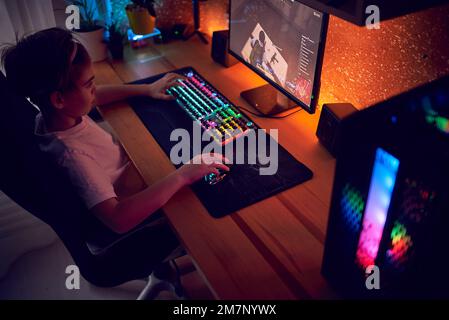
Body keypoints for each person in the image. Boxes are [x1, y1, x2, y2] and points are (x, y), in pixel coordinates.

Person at [1, 28, 229, 238]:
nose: (94, 88)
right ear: (59, 99)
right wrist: (183, 175)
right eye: (88, 83)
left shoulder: (52, 118)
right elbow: (118, 219)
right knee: (225, 210)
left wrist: (146, 89)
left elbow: (95, 96)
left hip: (137, 172)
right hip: (138, 206)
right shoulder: (73, 157)